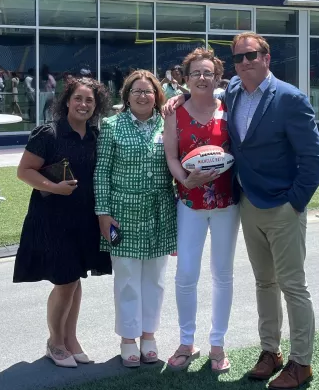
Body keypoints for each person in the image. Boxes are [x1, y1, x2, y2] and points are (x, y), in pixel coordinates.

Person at [166, 33, 319, 390]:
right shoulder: (234, 92)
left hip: (283, 207)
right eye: (238, 58)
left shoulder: (290, 97)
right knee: (264, 283)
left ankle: (302, 363)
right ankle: (271, 351)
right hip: (248, 204)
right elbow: (204, 94)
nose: (244, 62)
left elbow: (314, 157)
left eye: (251, 55)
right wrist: (179, 97)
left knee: (293, 286)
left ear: (266, 58)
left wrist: (295, 202)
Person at [13, 76, 112, 367]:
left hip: (84, 219)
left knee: (74, 278)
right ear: (67, 101)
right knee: (66, 281)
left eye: (90, 100)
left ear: (97, 106)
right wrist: (54, 187)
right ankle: (55, 341)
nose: (83, 104)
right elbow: (24, 171)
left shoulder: (95, 136)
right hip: (52, 218)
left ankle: (71, 338)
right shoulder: (49, 133)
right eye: (78, 98)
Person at [94, 70, 177, 368]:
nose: (143, 96)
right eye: (137, 91)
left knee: (155, 279)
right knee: (127, 278)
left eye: (149, 91)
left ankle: (149, 335)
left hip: (159, 213)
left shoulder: (169, 125)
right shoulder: (112, 126)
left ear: (157, 96)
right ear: (126, 96)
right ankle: (128, 338)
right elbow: (101, 172)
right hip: (123, 214)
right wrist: (103, 213)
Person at [164, 48, 239, 373]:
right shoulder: (174, 112)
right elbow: (170, 157)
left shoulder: (230, 108)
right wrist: (186, 180)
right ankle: (186, 340)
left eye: (208, 72)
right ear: (186, 77)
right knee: (186, 275)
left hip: (226, 204)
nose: (202, 77)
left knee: (222, 275)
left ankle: (218, 344)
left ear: (217, 76)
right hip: (190, 203)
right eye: (196, 72)